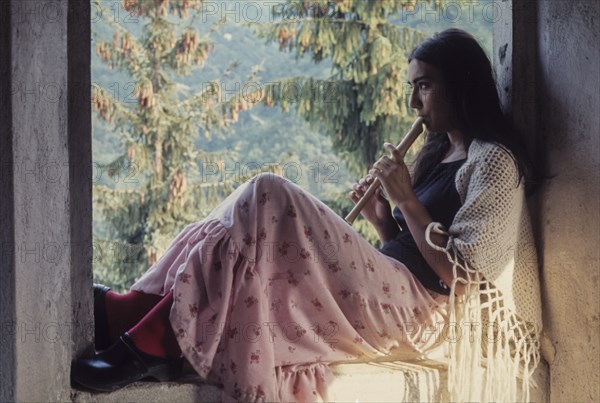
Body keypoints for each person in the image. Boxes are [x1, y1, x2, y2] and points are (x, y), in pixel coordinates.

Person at [72, 29, 542, 402]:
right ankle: (147, 314)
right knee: (264, 222)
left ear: (460, 85)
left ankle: (151, 327)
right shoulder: (439, 152)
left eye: (424, 86)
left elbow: (461, 274)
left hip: (425, 316)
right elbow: (409, 246)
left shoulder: (492, 160)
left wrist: (406, 201)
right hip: (398, 290)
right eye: (411, 88)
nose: (412, 104)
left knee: (269, 192)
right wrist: (383, 219)